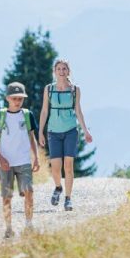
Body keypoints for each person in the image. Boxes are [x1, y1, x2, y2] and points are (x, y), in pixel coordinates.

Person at [39, 59, 92, 212]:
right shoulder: (49, 89)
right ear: (54, 72)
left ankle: (68, 199)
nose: (61, 71)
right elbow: (44, 111)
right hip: (53, 131)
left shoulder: (75, 90)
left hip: (70, 130)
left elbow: (78, 111)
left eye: (64, 69)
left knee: (68, 166)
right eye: (59, 69)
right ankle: (58, 187)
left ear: (68, 72)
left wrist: (85, 131)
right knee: (55, 168)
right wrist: (41, 131)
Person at [0, 82, 40, 239]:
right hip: (5, 164)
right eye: (14, 98)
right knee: (7, 196)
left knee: (29, 192)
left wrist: (36, 157)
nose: (18, 101)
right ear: (7, 98)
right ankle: (9, 228)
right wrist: (1, 159)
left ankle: (29, 225)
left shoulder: (27, 115)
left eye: (20, 98)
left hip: (24, 161)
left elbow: (32, 137)